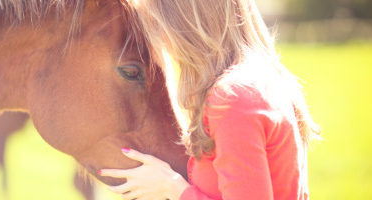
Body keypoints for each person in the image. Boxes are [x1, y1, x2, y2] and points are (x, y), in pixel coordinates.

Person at [99, 0, 320, 199]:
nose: (162, 44)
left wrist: (172, 187)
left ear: (185, 26)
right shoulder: (261, 79)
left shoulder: (234, 99)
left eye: (159, 27)